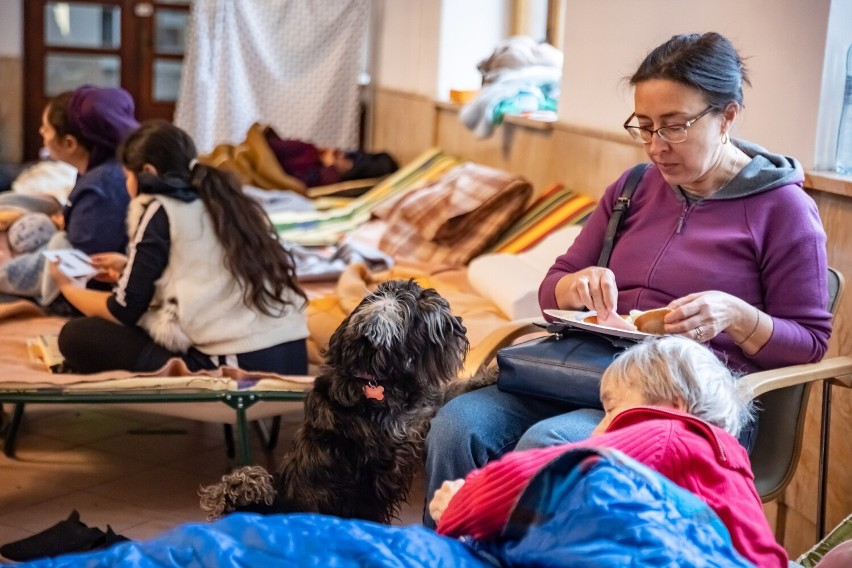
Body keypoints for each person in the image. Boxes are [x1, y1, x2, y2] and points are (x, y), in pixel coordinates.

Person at [424, 31, 832, 528]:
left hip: (681, 405)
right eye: (645, 126)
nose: (656, 146)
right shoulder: (632, 188)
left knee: (551, 447)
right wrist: (578, 286)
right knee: (457, 425)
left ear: (727, 115)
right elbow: (555, 285)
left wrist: (736, 315)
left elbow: (809, 342)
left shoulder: (784, 210)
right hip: (582, 371)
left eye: (675, 126)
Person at [429, 336, 788, 568]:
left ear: (675, 402)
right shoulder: (727, 459)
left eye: (612, 409)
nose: (602, 425)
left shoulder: (668, 433)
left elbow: (548, 473)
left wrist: (462, 503)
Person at [49, 120, 309, 375]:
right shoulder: (230, 200)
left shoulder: (159, 207)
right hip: (292, 357)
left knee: (76, 335)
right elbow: (203, 273)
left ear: (146, 171)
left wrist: (67, 286)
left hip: (240, 365)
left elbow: (123, 310)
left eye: (127, 175)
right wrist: (128, 268)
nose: (125, 184)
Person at [40, 85, 139, 257]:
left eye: (46, 129)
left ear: (69, 143)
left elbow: (82, 260)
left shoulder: (102, 188)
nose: (41, 131)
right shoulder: (101, 169)